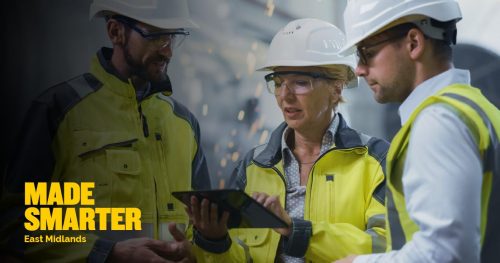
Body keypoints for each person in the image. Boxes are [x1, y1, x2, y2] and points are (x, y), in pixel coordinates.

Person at [1, 0, 210, 262]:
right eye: (156, 36)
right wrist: (107, 253)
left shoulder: (184, 124)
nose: (167, 51)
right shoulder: (61, 111)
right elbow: (14, 225)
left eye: (173, 36)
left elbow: (205, 225)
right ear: (115, 32)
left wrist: (199, 252)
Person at [188, 18, 389, 262]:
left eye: (301, 83)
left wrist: (296, 230)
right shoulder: (254, 166)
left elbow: (386, 248)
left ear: (336, 88)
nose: (285, 95)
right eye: (279, 82)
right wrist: (215, 241)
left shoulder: (375, 161)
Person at [335, 0, 500, 262]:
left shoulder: (437, 123)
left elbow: (447, 253)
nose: (359, 69)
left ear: (414, 43)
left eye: (367, 52)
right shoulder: (475, 108)